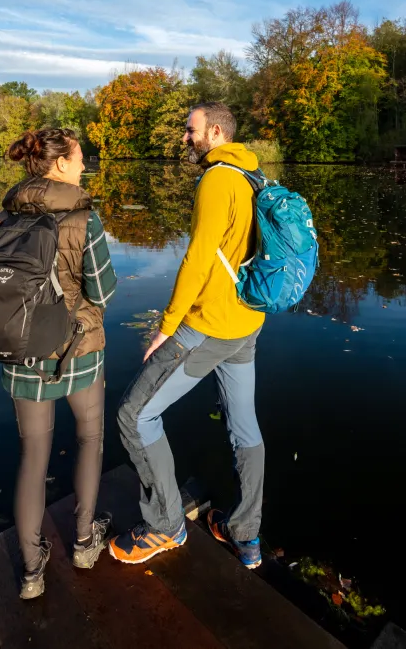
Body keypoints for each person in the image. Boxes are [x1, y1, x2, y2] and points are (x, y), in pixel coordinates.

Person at [109, 102, 265, 568]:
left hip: (208, 325)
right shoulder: (251, 176)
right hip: (247, 323)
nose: (185, 137)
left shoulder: (218, 179)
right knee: (244, 427)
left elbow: (198, 259)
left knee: (135, 417)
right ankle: (247, 534)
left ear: (215, 131)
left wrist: (167, 325)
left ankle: (165, 526)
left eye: (191, 129)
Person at [1, 128, 116, 598]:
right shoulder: (83, 218)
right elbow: (103, 291)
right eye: (80, 158)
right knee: (89, 437)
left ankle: (31, 571)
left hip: (22, 347)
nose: (85, 165)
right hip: (77, 346)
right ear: (60, 165)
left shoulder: (5, 213)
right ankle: (85, 543)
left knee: (33, 457)